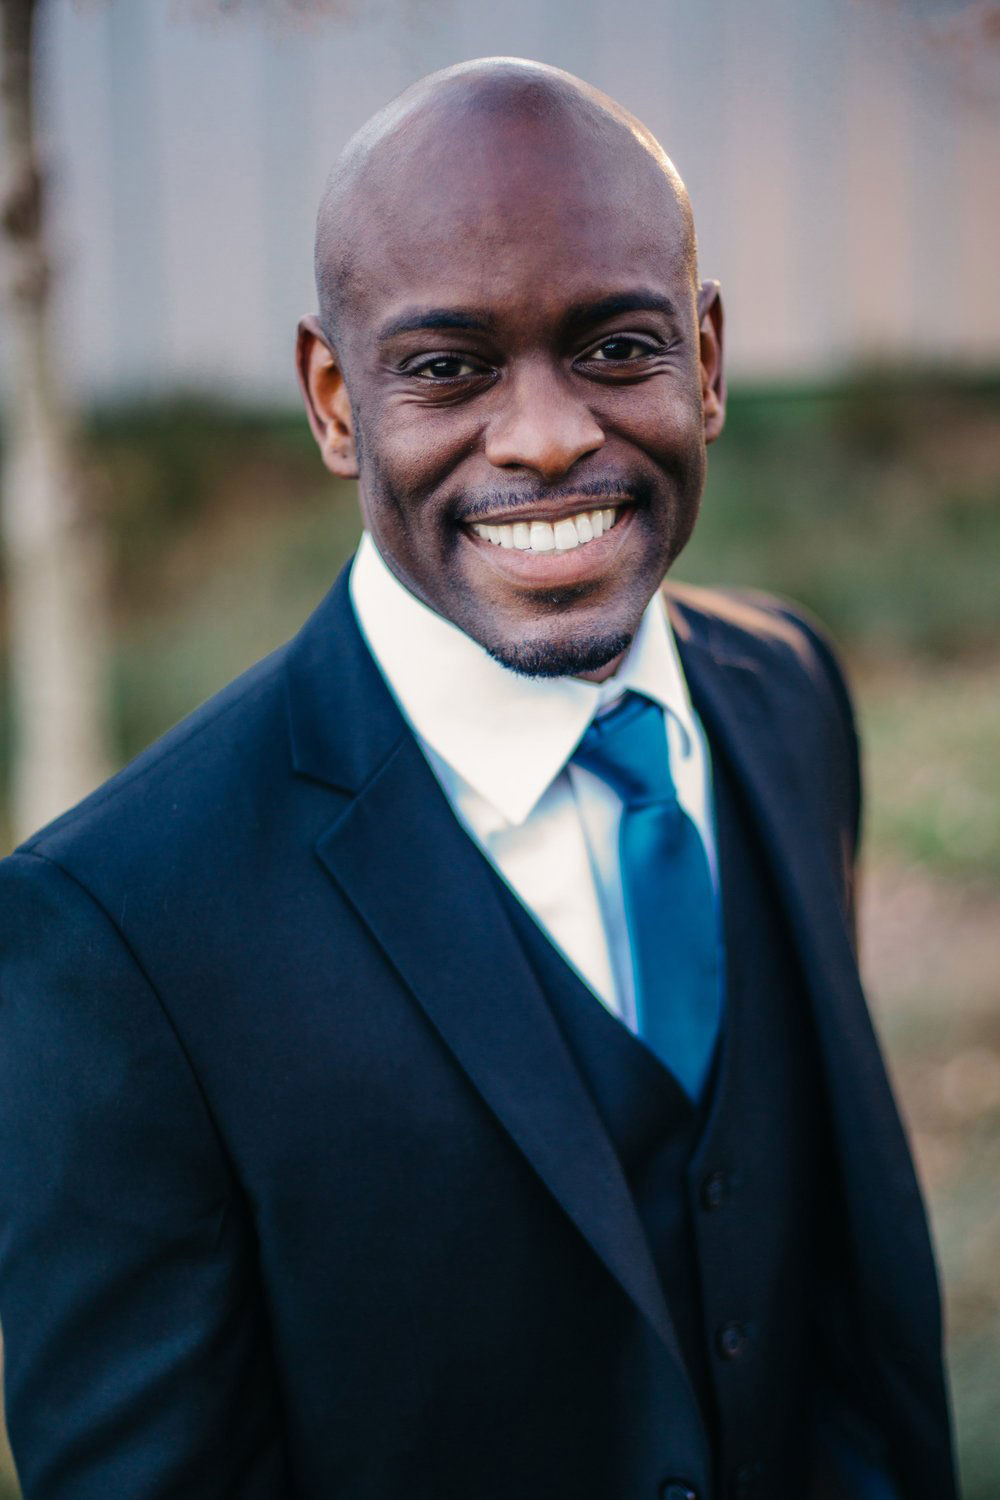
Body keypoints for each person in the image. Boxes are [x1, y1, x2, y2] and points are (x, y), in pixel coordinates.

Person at [0, 58, 956, 1500]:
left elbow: (847, 1321)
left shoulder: (789, 695)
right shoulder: (118, 929)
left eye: (615, 347)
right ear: (334, 400)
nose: (548, 435)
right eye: (447, 368)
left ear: (705, 358)